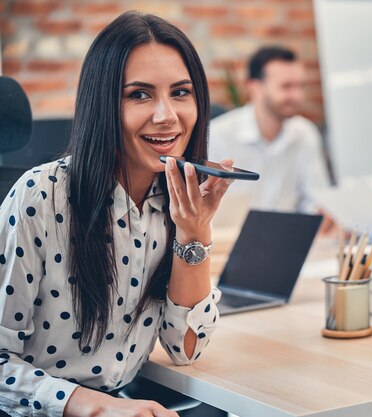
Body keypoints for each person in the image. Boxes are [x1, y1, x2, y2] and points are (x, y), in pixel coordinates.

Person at [0, 11, 233, 416]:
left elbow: (185, 348)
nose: (166, 116)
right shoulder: (41, 196)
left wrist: (194, 232)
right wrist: (95, 408)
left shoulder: (173, 202)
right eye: (139, 95)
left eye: (181, 92)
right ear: (103, 104)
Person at [209, 46, 329, 214]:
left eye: (300, 86)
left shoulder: (304, 133)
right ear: (254, 87)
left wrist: (322, 214)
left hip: (291, 236)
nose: (297, 96)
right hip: (234, 238)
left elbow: (315, 200)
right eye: (286, 87)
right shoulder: (217, 135)